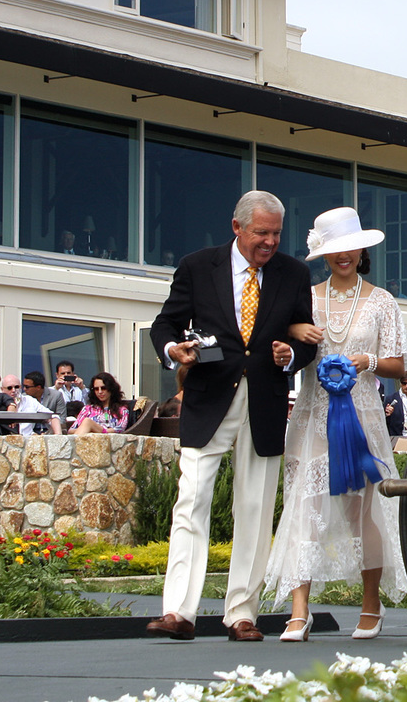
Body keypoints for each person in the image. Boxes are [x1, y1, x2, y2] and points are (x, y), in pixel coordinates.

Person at [144, 190, 314, 643]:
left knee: (255, 511)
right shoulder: (198, 266)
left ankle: (242, 614)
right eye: (262, 233)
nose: (271, 242)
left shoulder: (294, 274)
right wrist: (171, 350)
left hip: (265, 403)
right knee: (192, 501)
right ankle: (179, 612)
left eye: (277, 234)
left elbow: (307, 338)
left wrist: (290, 354)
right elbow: (166, 323)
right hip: (207, 399)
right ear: (237, 227)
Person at [264, 206, 407, 642]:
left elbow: (398, 363)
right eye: (334, 250)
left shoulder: (382, 300)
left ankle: (371, 605)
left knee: (363, 510)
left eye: (349, 248)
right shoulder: (305, 297)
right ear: (323, 254)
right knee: (303, 509)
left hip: (363, 418)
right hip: (312, 417)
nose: (343, 256)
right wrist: (294, 331)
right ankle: (299, 609)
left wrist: (368, 361)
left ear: (361, 249)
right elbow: (282, 342)